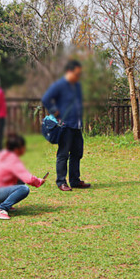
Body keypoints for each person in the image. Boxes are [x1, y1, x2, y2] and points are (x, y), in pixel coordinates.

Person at [42, 60, 90, 192]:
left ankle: (74, 180)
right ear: (69, 72)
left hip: (76, 125)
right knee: (63, 154)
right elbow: (46, 99)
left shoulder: (78, 86)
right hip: (65, 125)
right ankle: (61, 182)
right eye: (77, 73)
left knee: (77, 153)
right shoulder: (60, 85)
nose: (78, 76)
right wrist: (55, 112)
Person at [0, 134, 46, 220]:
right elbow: (29, 179)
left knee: (19, 181)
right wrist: (39, 181)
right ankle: (1, 209)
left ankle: (0, 204)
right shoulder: (12, 159)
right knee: (23, 189)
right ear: (17, 148)